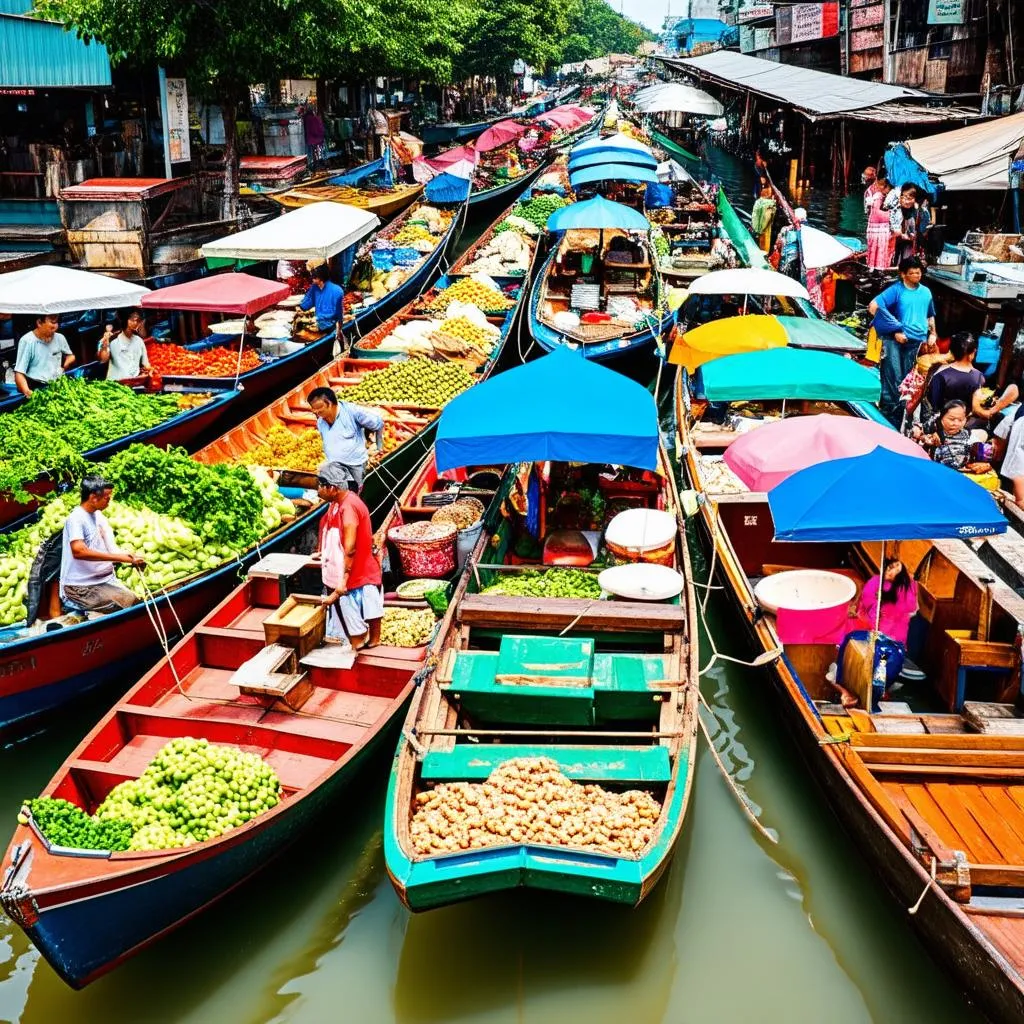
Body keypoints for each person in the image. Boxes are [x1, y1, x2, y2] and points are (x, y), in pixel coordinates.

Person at [316, 462, 383, 649]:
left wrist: (343, 580)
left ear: (332, 488)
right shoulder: (343, 502)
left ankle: (359, 642)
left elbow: (350, 547)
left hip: (357, 569)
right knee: (369, 606)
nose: (318, 491)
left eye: (320, 486)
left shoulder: (347, 508)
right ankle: (367, 639)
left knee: (358, 611)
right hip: (359, 566)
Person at [868, 255, 937, 427]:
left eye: (919, 273)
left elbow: (930, 315)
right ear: (903, 274)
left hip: (917, 342)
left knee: (908, 383)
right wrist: (894, 330)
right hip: (895, 341)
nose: (917, 276)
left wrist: (933, 333)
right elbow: (873, 307)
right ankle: (887, 421)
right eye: (913, 273)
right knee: (893, 380)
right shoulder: (896, 290)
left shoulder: (926, 292)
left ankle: (902, 420)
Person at [60, 476, 145, 613]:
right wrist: (122, 559)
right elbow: (79, 551)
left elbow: (112, 548)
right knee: (128, 603)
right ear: (94, 498)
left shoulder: (99, 517)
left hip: (104, 580)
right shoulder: (76, 518)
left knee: (135, 601)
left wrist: (130, 557)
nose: (109, 502)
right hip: (81, 587)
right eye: (107, 498)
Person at [308, 385, 384, 491]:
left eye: (319, 410)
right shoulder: (321, 422)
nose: (316, 413)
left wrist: (379, 447)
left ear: (329, 404)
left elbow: (378, 423)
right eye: (314, 410)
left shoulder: (352, 412)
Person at [926, 331, 986, 417]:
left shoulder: (941, 374)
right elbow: (977, 406)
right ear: (972, 353)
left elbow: (933, 404)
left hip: (943, 421)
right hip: (964, 421)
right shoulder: (979, 376)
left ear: (951, 351)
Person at [14, 314, 75, 397]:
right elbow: (19, 373)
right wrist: (27, 391)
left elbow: (71, 356)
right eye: (52, 323)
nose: (56, 327)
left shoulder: (60, 338)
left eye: (57, 322)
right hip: (35, 386)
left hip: (57, 384)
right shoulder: (27, 341)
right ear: (39, 323)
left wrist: (66, 363)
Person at [98, 308, 151, 381]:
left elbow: (146, 364)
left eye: (137, 320)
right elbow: (103, 359)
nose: (135, 322)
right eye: (132, 319)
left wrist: (151, 371)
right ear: (124, 319)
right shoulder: (112, 339)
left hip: (133, 383)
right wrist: (104, 345)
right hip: (115, 384)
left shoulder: (139, 341)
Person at [299, 263, 344, 334]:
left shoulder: (337, 290)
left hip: (332, 326)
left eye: (314, 277)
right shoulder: (314, 287)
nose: (312, 279)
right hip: (319, 325)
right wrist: (301, 307)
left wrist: (317, 318)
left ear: (320, 278)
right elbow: (308, 302)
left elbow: (335, 312)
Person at [864, 174, 894, 270]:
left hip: (872, 226)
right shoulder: (879, 195)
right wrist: (891, 215)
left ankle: (872, 266)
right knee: (880, 248)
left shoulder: (871, 191)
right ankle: (880, 267)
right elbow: (876, 213)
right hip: (878, 228)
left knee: (874, 249)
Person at [890, 183, 919, 267]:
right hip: (895, 240)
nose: (907, 201)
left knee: (906, 260)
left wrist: (911, 235)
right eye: (905, 198)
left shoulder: (915, 210)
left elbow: (914, 231)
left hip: (908, 241)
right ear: (900, 197)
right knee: (896, 259)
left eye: (911, 198)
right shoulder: (895, 209)